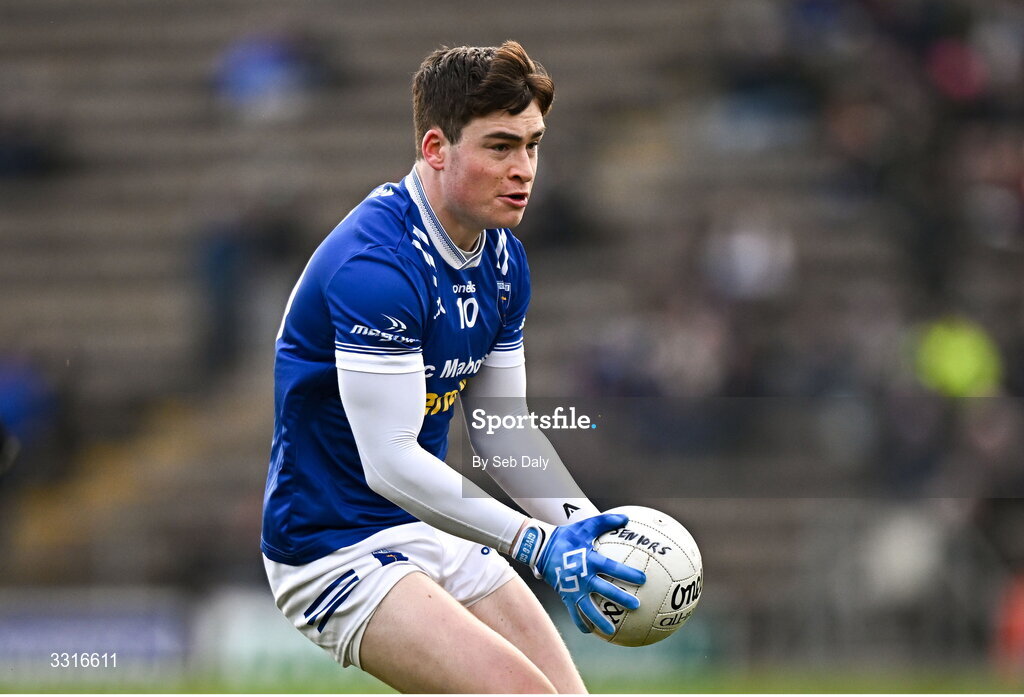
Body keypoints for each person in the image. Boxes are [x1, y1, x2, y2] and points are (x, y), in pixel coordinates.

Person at [261, 41, 646, 693]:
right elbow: (389, 463)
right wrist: (533, 542)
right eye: (500, 146)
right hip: (331, 547)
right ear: (436, 149)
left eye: (533, 144)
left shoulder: (502, 261)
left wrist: (579, 525)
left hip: (426, 523)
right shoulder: (376, 267)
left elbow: (502, 430)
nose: (524, 168)